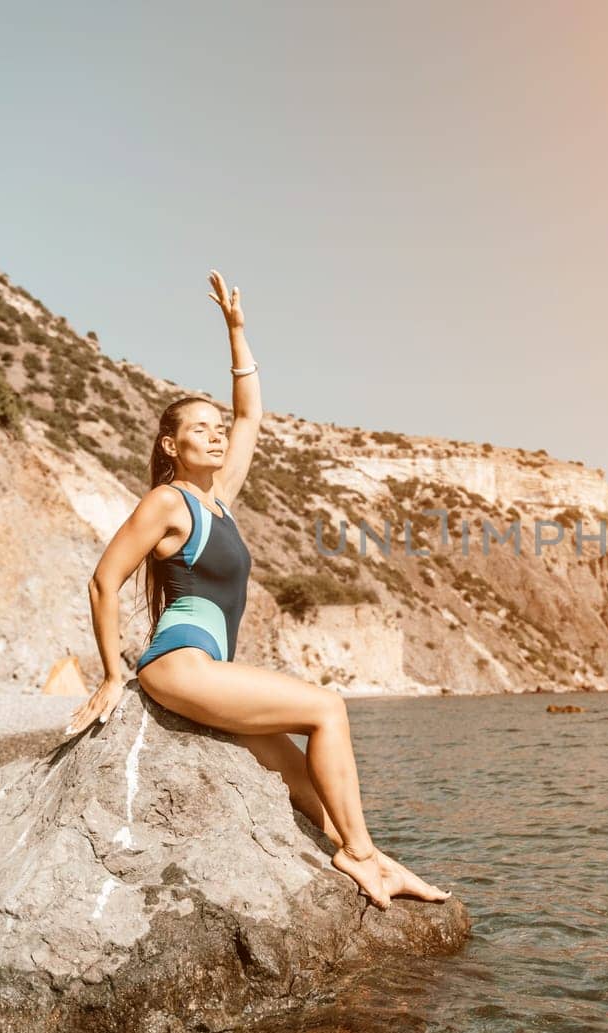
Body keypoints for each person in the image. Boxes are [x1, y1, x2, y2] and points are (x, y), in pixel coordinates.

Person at [64, 270, 448, 911]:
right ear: (171, 444)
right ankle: (361, 855)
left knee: (306, 782)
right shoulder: (169, 501)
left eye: (217, 428)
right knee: (327, 709)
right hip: (177, 665)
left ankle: (372, 860)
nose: (216, 434)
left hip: (209, 670)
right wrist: (109, 675)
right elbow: (105, 580)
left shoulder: (222, 503)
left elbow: (250, 414)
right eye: (200, 429)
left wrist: (235, 331)